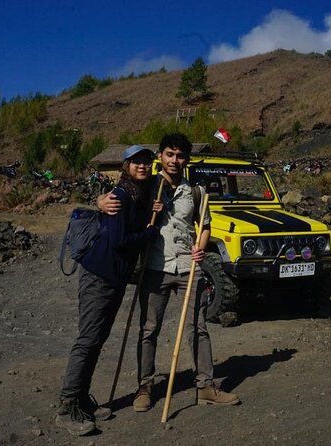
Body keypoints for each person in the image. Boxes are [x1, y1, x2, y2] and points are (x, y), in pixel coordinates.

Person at [101, 133, 240, 412]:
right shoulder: (146, 186)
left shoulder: (197, 192)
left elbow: (206, 225)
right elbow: (118, 195)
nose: (174, 160)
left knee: (198, 328)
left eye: (179, 155)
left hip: (189, 268)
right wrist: (99, 200)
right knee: (148, 329)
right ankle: (145, 386)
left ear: (185, 159)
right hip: (155, 267)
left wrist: (201, 248)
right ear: (161, 157)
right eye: (169, 154)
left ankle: (205, 386)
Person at [55, 145, 159, 437]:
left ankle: (82, 399)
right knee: (88, 338)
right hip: (99, 274)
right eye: (136, 162)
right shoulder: (121, 196)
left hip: (113, 276)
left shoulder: (140, 193)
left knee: (97, 338)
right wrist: (148, 234)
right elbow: (119, 240)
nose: (143, 165)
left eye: (146, 161)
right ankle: (66, 406)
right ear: (125, 166)